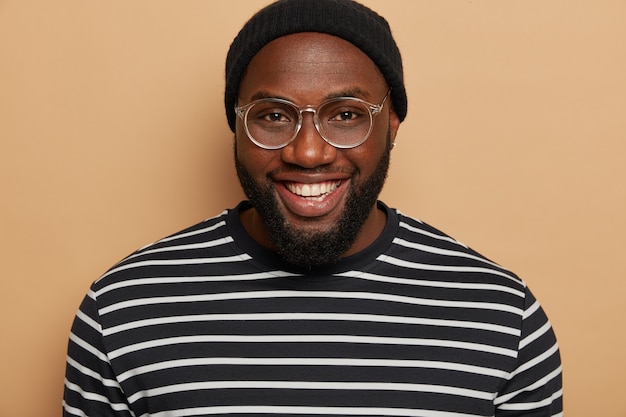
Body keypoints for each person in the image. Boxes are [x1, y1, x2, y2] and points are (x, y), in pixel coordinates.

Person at [63, 0, 563, 416]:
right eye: (273, 116)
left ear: (391, 124)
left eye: (346, 115)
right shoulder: (124, 308)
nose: (308, 152)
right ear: (235, 127)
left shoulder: (501, 315)